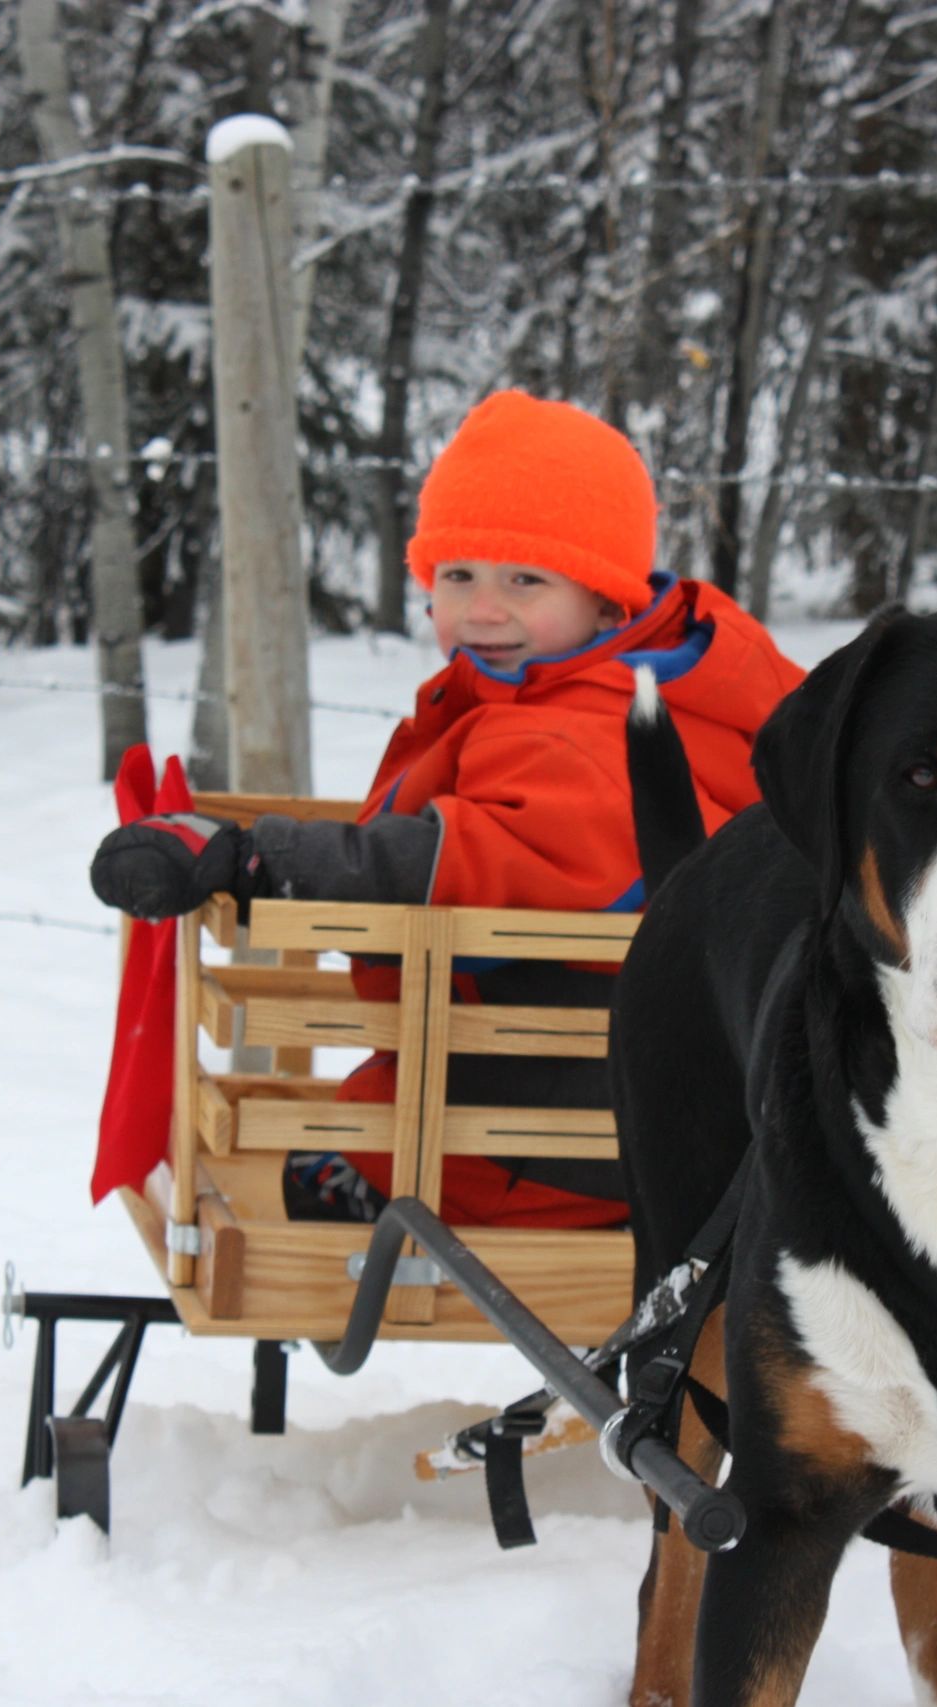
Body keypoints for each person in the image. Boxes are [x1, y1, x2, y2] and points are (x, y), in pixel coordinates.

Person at [90, 390, 803, 1227]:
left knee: (412, 1087)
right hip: (634, 1104)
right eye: (458, 575)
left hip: (573, 1139)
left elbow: (459, 859)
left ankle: (399, 1178)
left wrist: (264, 859)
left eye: (525, 579)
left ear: (607, 600)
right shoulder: (600, 690)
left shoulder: (580, 733)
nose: (483, 609)